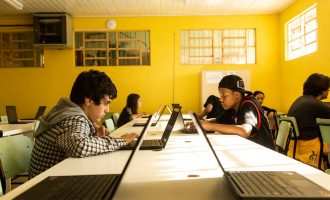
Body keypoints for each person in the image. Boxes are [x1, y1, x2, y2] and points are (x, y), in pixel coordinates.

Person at [29, 70, 138, 178]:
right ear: (89, 100)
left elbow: (74, 141)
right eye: (106, 103)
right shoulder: (74, 118)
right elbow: (79, 146)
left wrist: (95, 138)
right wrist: (121, 141)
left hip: (47, 181)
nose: (107, 110)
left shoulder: (67, 111)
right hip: (46, 189)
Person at [199, 75, 275, 150]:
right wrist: (200, 123)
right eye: (220, 95)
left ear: (236, 95)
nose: (220, 99)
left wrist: (208, 126)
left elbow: (245, 131)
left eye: (224, 95)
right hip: (250, 149)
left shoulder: (249, 104)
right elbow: (217, 120)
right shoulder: (233, 108)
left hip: (264, 153)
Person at [287, 73, 330, 168]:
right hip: (308, 149)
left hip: (294, 148)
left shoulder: (300, 100)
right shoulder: (316, 104)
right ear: (322, 91)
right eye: (328, 89)